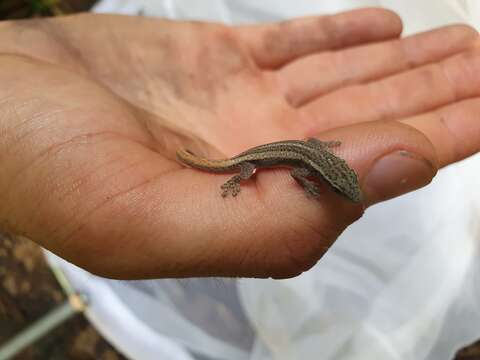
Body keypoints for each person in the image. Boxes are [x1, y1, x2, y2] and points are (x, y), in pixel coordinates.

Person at [0, 8, 478, 279]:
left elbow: (302, 158)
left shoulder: (315, 163)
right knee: (240, 175)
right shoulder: (307, 170)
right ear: (335, 177)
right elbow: (295, 167)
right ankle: (229, 180)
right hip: (254, 158)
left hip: (284, 147)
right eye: (342, 186)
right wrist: (249, 181)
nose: (348, 193)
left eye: (342, 185)